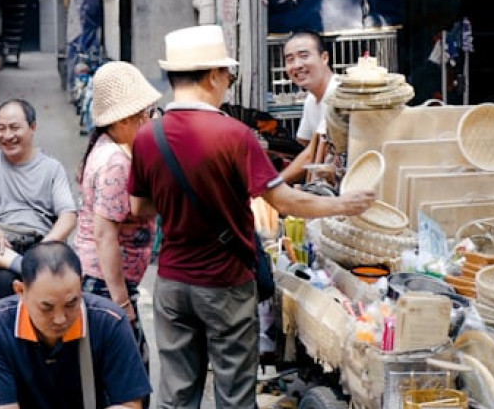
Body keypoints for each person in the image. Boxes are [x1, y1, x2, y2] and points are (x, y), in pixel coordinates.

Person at [128, 24, 374, 409]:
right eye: (227, 73)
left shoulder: (147, 137)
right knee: (234, 395)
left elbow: (139, 208)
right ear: (212, 75)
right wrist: (345, 204)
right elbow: (286, 203)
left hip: (172, 283)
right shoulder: (234, 135)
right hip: (225, 284)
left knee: (176, 395)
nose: (228, 81)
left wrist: (180, 199)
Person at [0, 241, 152, 409]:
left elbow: (129, 404)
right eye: (47, 307)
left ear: (80, 285)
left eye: (70, 304)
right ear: (21, 291)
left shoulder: (109, 321)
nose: (60, 319)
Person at [73, 61, 162, 390]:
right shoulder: (115, 163)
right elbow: (104, 236)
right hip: (104, 284)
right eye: (146, 113)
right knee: (131, 375)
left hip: (101, 281)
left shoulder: (107, 148)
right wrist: (122, 303)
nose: (151, 119)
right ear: (125, 119)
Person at [0, 98, 78, 301]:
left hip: (34, 246)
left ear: (33, 127)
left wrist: (44, 250)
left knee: (2, 281)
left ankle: (26, 265)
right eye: (1, 129)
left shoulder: (52, 168)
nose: (7, 136)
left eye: (14, 128)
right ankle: (23, 265)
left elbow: (68, 216)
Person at [278, 31, 338, 185]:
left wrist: (272, 185)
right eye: (290, 59)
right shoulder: (311, 99)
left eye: (304, 56)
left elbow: (310, 152)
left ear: (324, 58)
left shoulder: (337, 93)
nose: (297, 65)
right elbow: (302, 144)